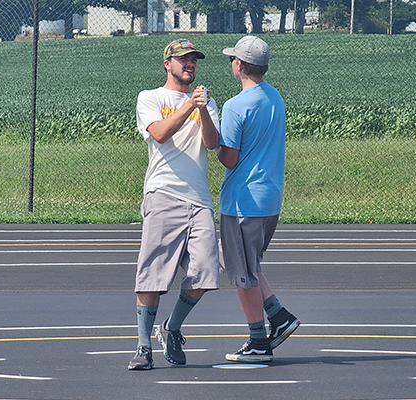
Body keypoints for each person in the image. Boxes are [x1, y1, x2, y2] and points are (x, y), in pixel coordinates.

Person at [128, 39, 221, 371]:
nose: (190, 64)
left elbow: (211, 143)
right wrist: (188, 107)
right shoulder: (151, 98)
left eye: (194, 59)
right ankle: (142, 347)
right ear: (168, 63)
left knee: (207, 273)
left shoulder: (205, 102)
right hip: (163, 193)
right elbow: (161, 134)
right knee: (152, 274)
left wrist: (203, 109)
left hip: (199, 199)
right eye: (183, 59)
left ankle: (172, 327)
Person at [217, 36, 300, 363]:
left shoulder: (236, 106)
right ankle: (278, 317)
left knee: (242, 273)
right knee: (248, 265)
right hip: (269, 198)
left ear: (239, 65)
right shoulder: (274, 97)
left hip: (242, 199)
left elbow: (230, 158)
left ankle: (258, 340)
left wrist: (213, 139)